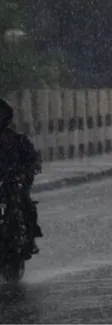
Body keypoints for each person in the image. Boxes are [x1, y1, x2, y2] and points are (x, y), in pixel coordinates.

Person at [0, 98, 43, 257]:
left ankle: (30, 239)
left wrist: (24, 174)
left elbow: (33, 159)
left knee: (26, 203)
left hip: (13, 182)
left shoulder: (18, 140)